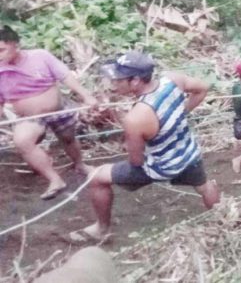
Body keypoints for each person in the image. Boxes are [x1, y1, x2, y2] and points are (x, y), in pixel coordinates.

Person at [70, 51, 220, 242]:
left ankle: (101, 229)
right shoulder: (173, 79)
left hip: (161, 166)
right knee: (205, 187)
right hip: (188, 154)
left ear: (135, 81)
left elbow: (136, 160)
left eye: (118, 79)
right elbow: (203, 88)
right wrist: (181, 113)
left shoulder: (136, 118)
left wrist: (128, 138)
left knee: (97, 177)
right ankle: (224, 218)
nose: (113, 83)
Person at [0, 25, 98, 200]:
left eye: (2, 50)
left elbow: (65, 77)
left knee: (68, 138)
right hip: (30, 118)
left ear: (15, 44)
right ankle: (55, 179)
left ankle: (80, 164)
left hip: (58, 109)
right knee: (22, 141)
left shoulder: (40, 56)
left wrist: (87, 96)